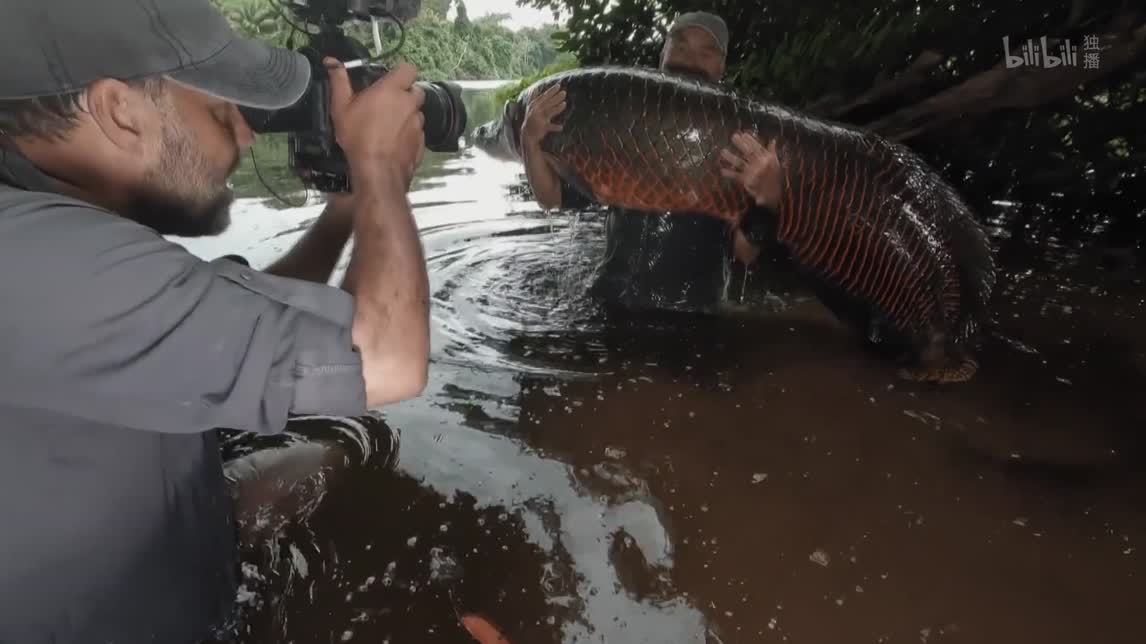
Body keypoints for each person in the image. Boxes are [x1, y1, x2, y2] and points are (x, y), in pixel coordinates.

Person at [0, 0, 431, 642]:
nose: (249, 134)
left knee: (335, 455)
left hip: (168, 545)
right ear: (120, 110)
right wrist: (380, 170)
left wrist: (351, 207)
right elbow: (387, 361)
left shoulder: (47, 231)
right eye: (222, 109)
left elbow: (236, 312)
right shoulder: (39, 263)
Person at [519, 11, 782, 314]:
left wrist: (768, 201)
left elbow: (745, 253)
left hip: (691, 316)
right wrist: (530, 143)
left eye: (706, 51)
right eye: (681, 46)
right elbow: (552, 198)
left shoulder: (742, 144)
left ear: (721, 67)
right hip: (609, 301)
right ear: (662, 54)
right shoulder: (624, 128)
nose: (690, 59)